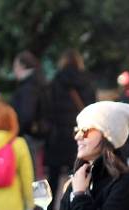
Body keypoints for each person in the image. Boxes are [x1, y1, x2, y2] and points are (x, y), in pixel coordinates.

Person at [44, 49, 96, 198]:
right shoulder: (87, 82)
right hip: (79, 135)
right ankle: (75, 206)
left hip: (58, 135)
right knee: (79, 174)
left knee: (53, 176)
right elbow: (92, 108)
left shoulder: (56, 81)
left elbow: (49, 108)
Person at [10, 50, 48, 177]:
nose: (14, 70)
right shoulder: (38, 82)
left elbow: (27, 115)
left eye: (15, 66)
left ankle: (33, 197)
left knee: (31, 171)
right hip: (38, 133)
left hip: (29, 135)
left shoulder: (28, 87)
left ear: (22, 66)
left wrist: (17, 130)